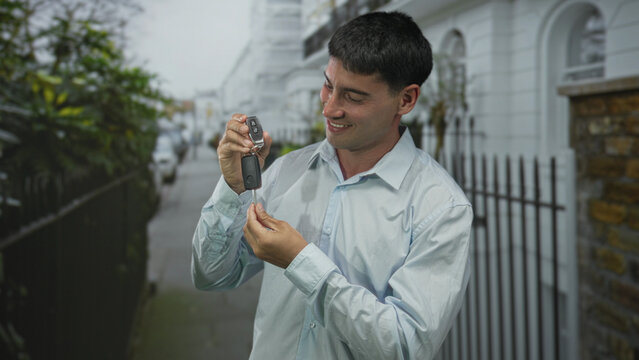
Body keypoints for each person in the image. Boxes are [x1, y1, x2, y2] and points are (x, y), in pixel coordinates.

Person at [191, 11, 472, 360]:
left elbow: (404, 346)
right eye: (328, 85)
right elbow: (212, 276)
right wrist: (232, 190)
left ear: (406, 100)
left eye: (353, 97)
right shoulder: (287, 171)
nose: (329, 108)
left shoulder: (441, 208)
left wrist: (300, 261)